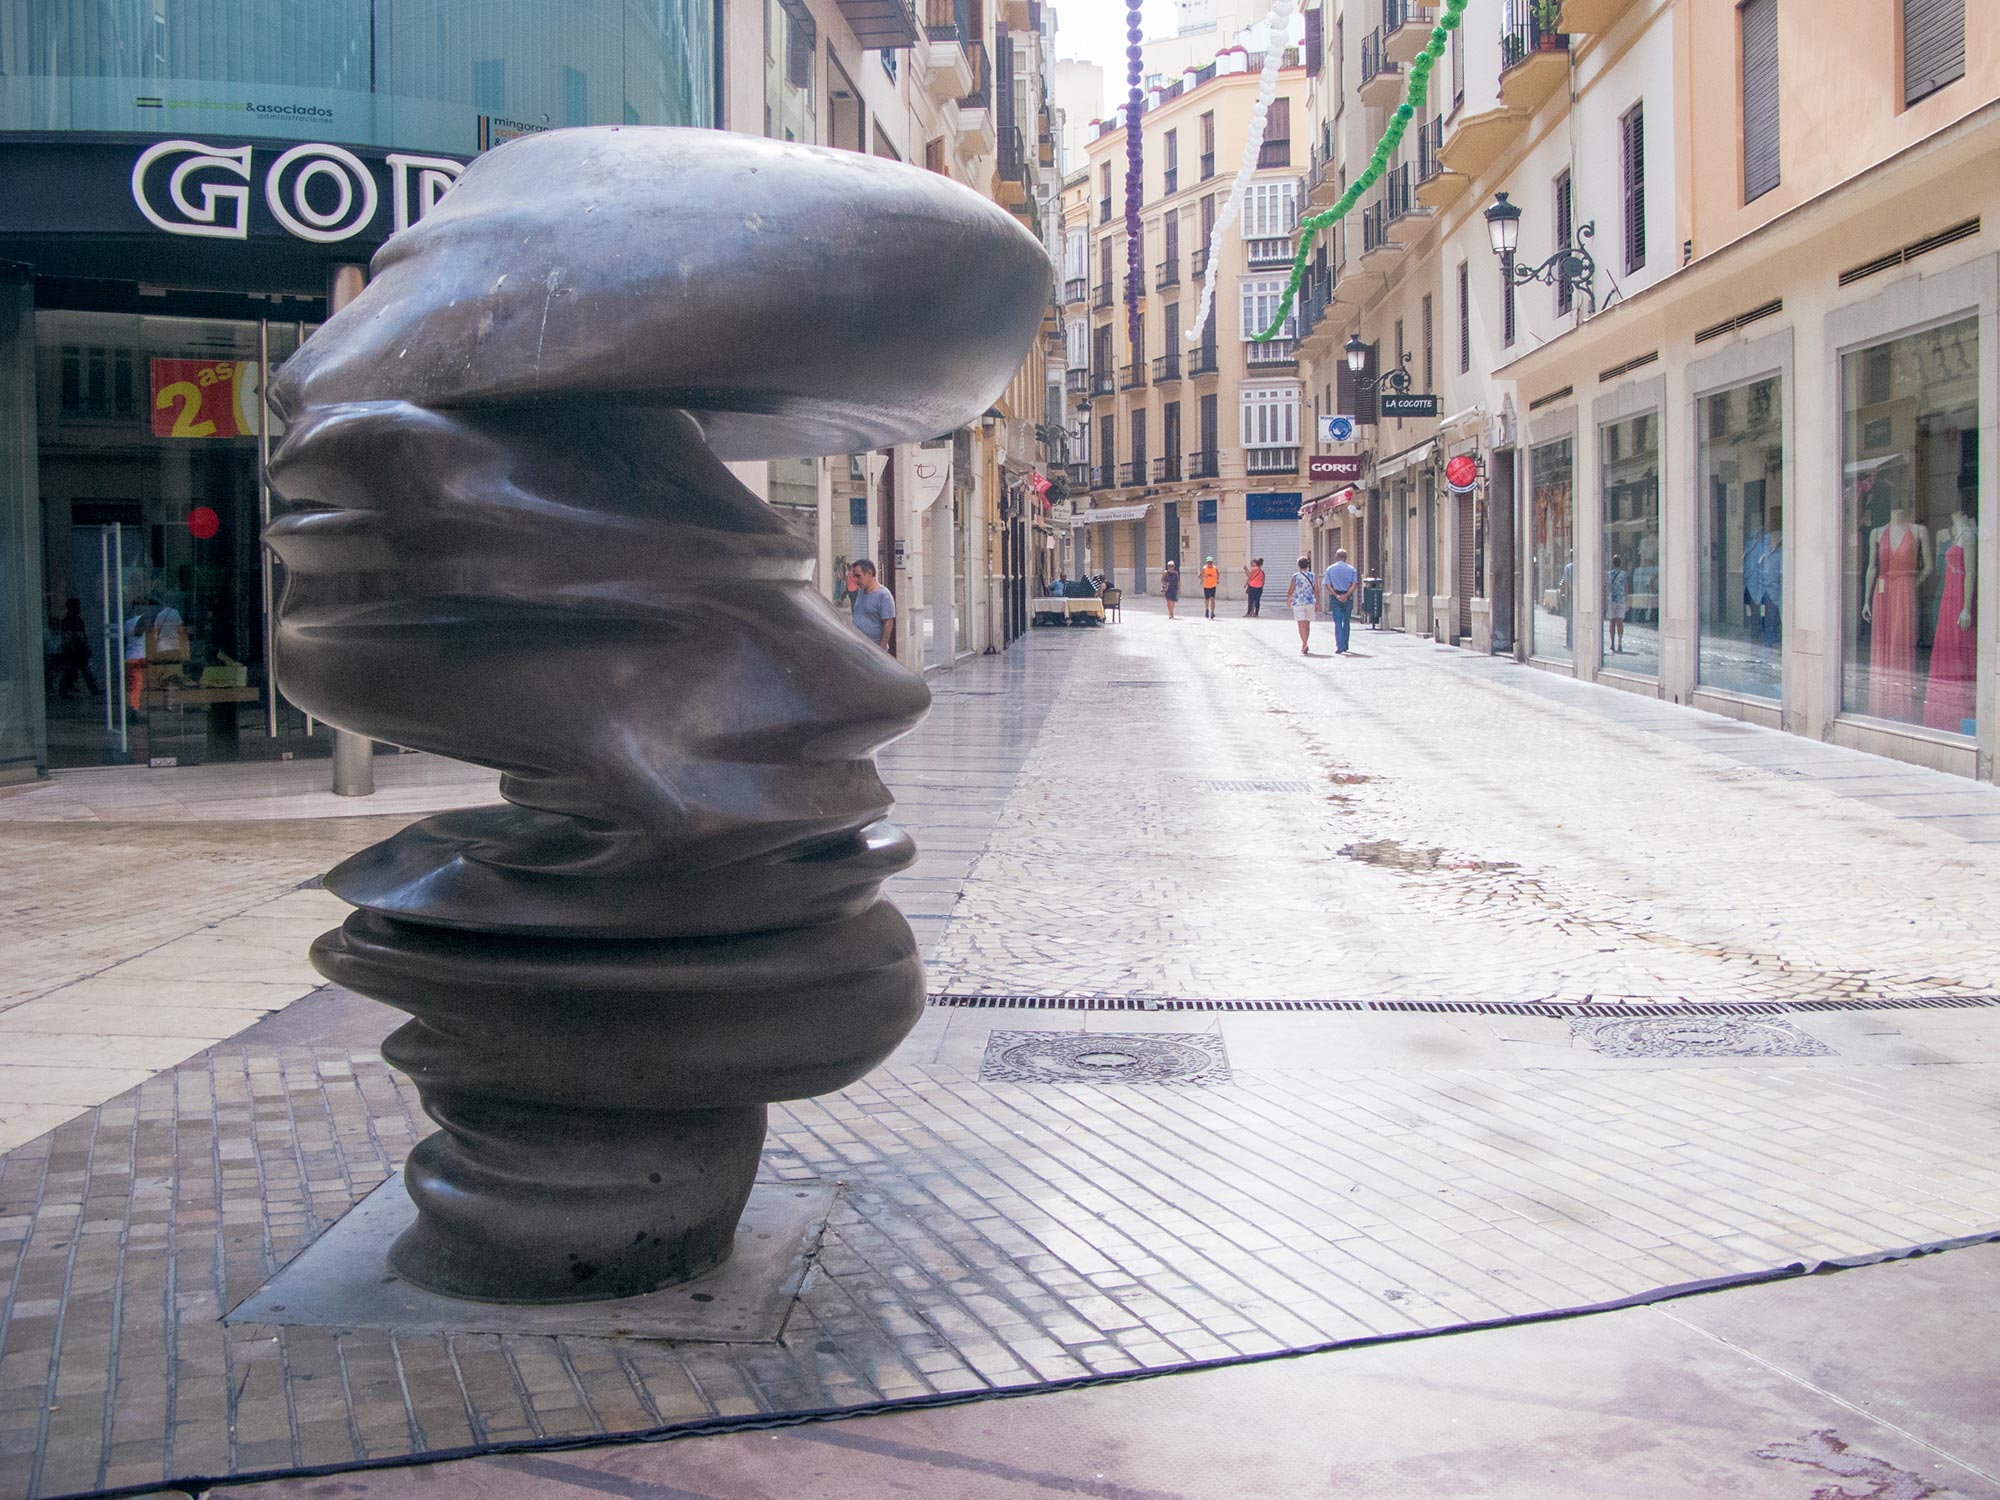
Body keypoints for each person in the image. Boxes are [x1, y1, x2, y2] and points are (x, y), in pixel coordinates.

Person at [846, 558, 897, 653]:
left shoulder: (883, 595)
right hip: (858, 648)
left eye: (858, 576)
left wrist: (880, 651)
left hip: (873, 651)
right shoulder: (860, 593)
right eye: (854, 576)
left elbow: (888, 624)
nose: (855, 580)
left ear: (869, 573)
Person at [55, 597, 98, 700]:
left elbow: (82, 635)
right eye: (77, 606)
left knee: (84, 671)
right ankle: (64, 691)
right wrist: (75, 647)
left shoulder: (77, 619)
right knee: (72, 671)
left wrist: (85, 646)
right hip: (73, 651)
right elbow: (69, 637)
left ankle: (93, 689)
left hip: (79, 650)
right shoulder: (69, 620)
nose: (80, 608)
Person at [1323, 549, 1359, 655]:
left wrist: (1336, 595)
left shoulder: (1330, 569)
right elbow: (1354, 584)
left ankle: (1340, 646)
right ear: (1346, 557)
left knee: (1338, 622)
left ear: (1336, 557)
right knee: (1346, 621)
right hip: (1348, 597)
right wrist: (1347, 595)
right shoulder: (1352, 569)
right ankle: (1346, 644)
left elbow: (1327, 584)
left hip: (1336, 598)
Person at [1287, 556, 1317, 654]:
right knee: (1307, 624)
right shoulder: (1313, 575)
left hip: (1298, 602)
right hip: (1310, 602)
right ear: (1308, 565)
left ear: (1299, 565)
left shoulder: (1295, 576)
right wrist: (1318, 602)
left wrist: (1288, 599)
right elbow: (1316, 590)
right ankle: (1306, 642)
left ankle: (1304, 643)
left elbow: (1291, 589)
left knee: (1300, 624)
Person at [1605, 553, 1629, 655]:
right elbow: (1626, 587)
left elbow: (1606, 588)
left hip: (1611, 600)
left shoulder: (1609, 574)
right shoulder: (1623, 574)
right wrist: (1626, 600)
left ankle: (1612, 643)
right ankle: (1619, 643)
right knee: (1620, 622)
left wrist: (1605, 600)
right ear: (1620, 563)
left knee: (1612, 622)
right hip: (1620, 600)